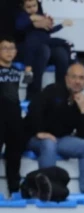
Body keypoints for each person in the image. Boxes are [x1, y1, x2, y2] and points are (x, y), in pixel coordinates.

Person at [24, 62, 84, 194]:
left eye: (81, 78)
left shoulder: (83, 103)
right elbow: (33, 109)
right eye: (74, 77)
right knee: (49, 143)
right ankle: (50, 189)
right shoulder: (52, 90)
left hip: (61, 140)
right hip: (35, 137)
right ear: (66, 78)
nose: (77, 82)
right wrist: (39, 131)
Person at [0, 35, 23, 197]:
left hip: (14, 117)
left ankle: (14, 190)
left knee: (14, 155)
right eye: (5, 48)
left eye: (12, 48)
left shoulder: (16, 71)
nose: (9, 52)